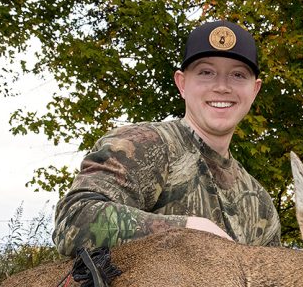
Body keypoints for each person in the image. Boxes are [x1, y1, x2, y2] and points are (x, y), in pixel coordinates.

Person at [52, 20, 281, 256]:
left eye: (237, 75)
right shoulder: (144, 144)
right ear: (182, 83)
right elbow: (73, 220)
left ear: (254, 90)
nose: (222, 86)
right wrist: (183, 231)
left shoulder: (260, 203)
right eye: (206, 72)